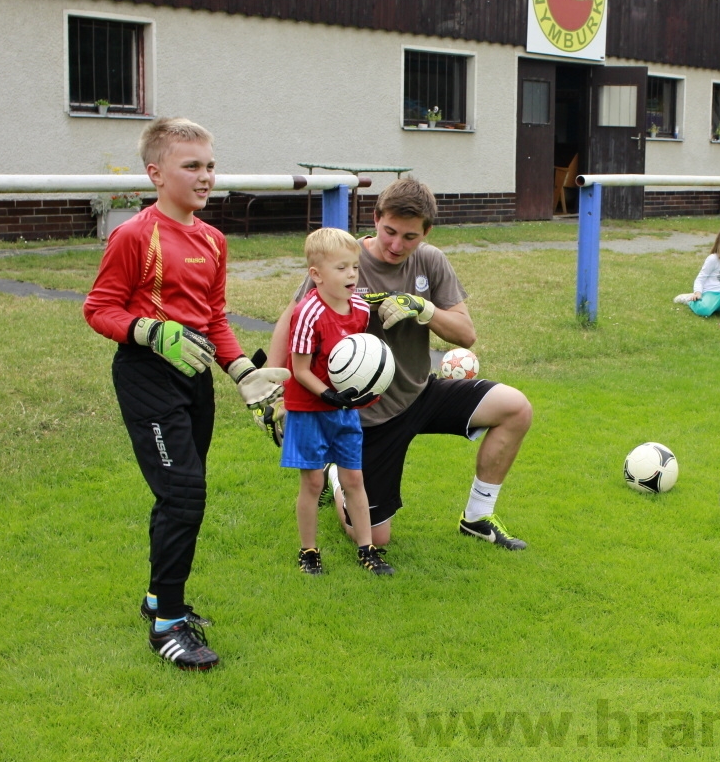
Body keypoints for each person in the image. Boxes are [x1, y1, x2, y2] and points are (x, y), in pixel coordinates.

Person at [84, 117, 290, 670]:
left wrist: (243, 373)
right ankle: (168, 626)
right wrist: (148, 331)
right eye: (191, 166)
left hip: (194, 376)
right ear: (156, 173)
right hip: (146, 375)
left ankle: (158, 599)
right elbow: (99, 309)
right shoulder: (134, 235)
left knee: (181, 492)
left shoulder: (213, 240)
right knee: (183, 493)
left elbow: (213, 317)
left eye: (210, 166)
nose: (205, 177)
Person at [268, 177, 533, 571]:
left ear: (426, 232)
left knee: (516, 408)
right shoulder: (344, 260)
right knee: (377, 538)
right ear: (376, 218)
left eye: (410, 237)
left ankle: (477, 518)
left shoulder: (431, 261)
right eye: (389, 231)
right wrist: (275, 389)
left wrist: (423, 308)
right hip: (367, 415)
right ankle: (337, 476)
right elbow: (292, 319)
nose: (396, 245)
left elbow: (466, 334)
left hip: (420, 393)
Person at [281, 228, 388, 576]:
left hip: (344, 410)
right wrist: (328, 394)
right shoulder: (307, 313)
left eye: (355, 267)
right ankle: (308, 551)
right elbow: (299, 369)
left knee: (354, 478)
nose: (351, 275)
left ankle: (367, 549)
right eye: (341, 268)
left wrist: (367, 383)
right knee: (312, 482)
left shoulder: (361, 309)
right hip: (309, 410)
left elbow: (357, 356)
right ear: (316, 275)